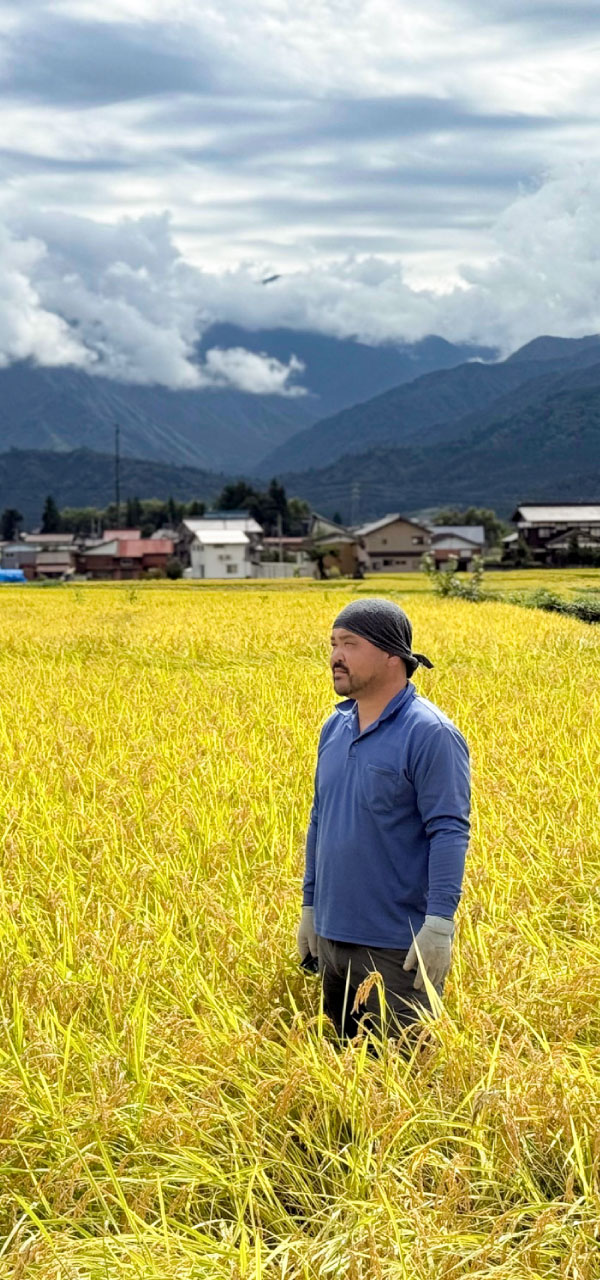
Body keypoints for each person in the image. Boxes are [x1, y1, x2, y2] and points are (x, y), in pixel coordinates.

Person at [297, 598, 471, 1043]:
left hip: (396, 949)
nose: (336, 656)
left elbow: (449, 831)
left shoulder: (430, 733)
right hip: (333, 938)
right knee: (338, 1082)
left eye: (350, 644)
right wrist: (311, 907)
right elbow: (321, 818)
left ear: (391, 655)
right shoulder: (334, 728)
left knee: (398, 1089)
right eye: (333, 643)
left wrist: (439, 925)